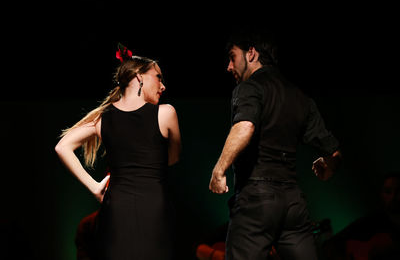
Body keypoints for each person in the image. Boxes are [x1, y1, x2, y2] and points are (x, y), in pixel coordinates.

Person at [208, 27, 343, 260]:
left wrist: (219, 169)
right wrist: (328, 167)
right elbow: (334, 151)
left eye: (232, 57)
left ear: (251, 54)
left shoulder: (249, 87)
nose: (229, 67)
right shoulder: (300, 95)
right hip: (293, 203)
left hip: (256, 200)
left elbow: (245, 126)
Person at [55, 43, 181, 260]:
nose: (163, 85)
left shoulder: (102, 119)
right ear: (140, 77)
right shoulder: (166, 113)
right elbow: (172, 158)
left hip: (116, 210)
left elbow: (62, 146)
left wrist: (95, 187)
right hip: (154, 207)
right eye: (158, 77)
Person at [321, 172, 400, 259]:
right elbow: (330, 244)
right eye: (388, 192)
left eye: (399, 192)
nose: (393, 197)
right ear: (381, 194)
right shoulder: (373, 220)